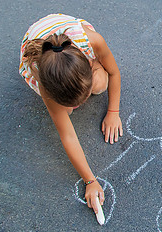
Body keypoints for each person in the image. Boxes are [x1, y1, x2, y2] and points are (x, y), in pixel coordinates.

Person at [19, 13, 123, 218]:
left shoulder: (92, 40)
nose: (82, 105)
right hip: (39, 48)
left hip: (65, 34)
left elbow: (114, 73)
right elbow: (68, 135)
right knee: (64, 111)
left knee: (101, 84)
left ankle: (89, 78)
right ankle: (68, 101)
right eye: (77, 102)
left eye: (81, 100)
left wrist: (113, 112)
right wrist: (90, 181)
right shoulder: (43, 78)